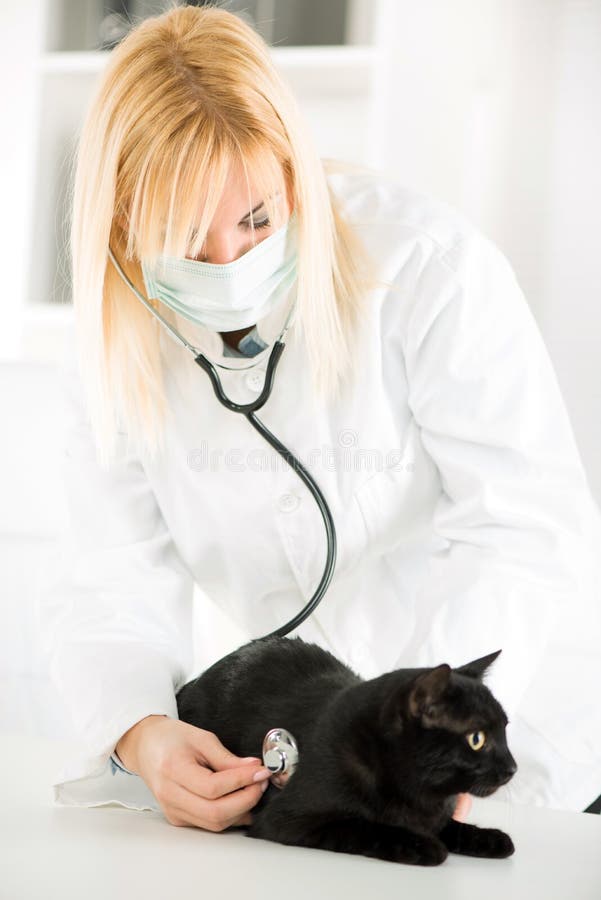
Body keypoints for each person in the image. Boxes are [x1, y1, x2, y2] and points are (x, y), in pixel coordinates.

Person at [38, 3, 601, 832]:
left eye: (258, 218)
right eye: (184, 238)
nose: (229, 262)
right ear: (122, 224)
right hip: (337, 774)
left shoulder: (428, 269)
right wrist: (145, 734)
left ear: (295, 174)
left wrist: (426, 735)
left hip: (522, 755)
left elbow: (518, 527)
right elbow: (107, 575)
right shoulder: (115, 345)